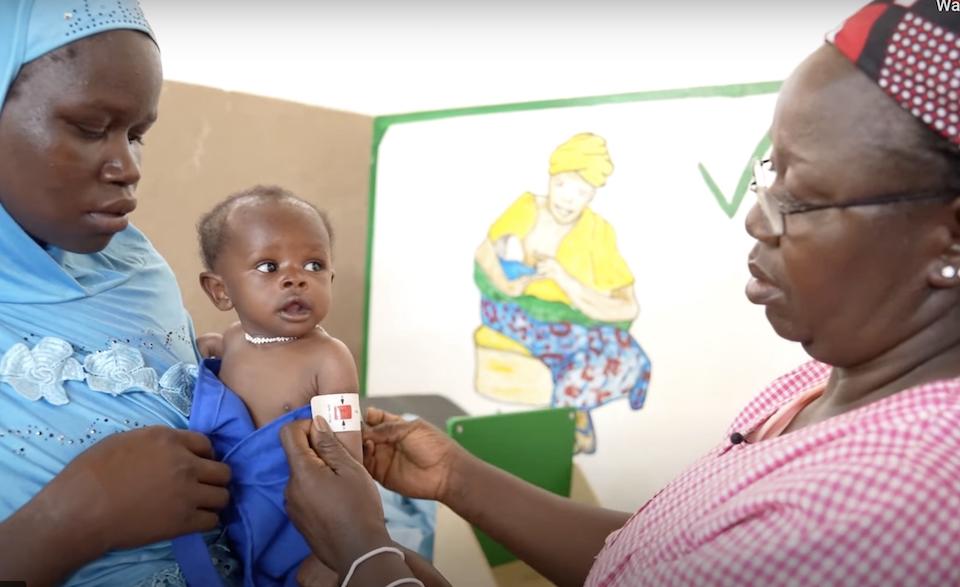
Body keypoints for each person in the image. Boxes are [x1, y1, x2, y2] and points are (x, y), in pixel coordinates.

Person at [281, 1, 960, 585]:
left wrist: (365, 554)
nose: (757, 217)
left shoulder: (905, 493)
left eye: (801, 197)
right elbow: (664, 558)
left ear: (949, 238)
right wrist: (457, 478)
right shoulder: (826, 380)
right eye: (768, 172)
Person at [0, 2, 240, 586]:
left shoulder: (134, 266)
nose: (127, 166)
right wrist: (72, 520)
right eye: (89, 128)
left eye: (137, 135)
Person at [172, 185, 361, 587]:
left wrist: (336, 555)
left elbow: (348, 464)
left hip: (296, 522)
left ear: (330, 276)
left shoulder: (329, 358)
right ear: (221, 290)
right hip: (228, 502)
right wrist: (211, 347)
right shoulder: (234, 340)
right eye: (268, 267)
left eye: (313, 265)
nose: (295, 279)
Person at [473, 132, 652, 453]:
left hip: (571, 313)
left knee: (626, 351)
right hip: (518, 308)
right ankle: (566, 425)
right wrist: (509, 285)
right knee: (578, 347)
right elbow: (486, 252)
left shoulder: (599, 232)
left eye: (581, 191)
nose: (568, 198)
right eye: (561, 185)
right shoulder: (528, 207)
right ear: (551, 180)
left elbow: (627, 307)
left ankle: (568, 421)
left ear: (592, 194)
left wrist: (565, 280)